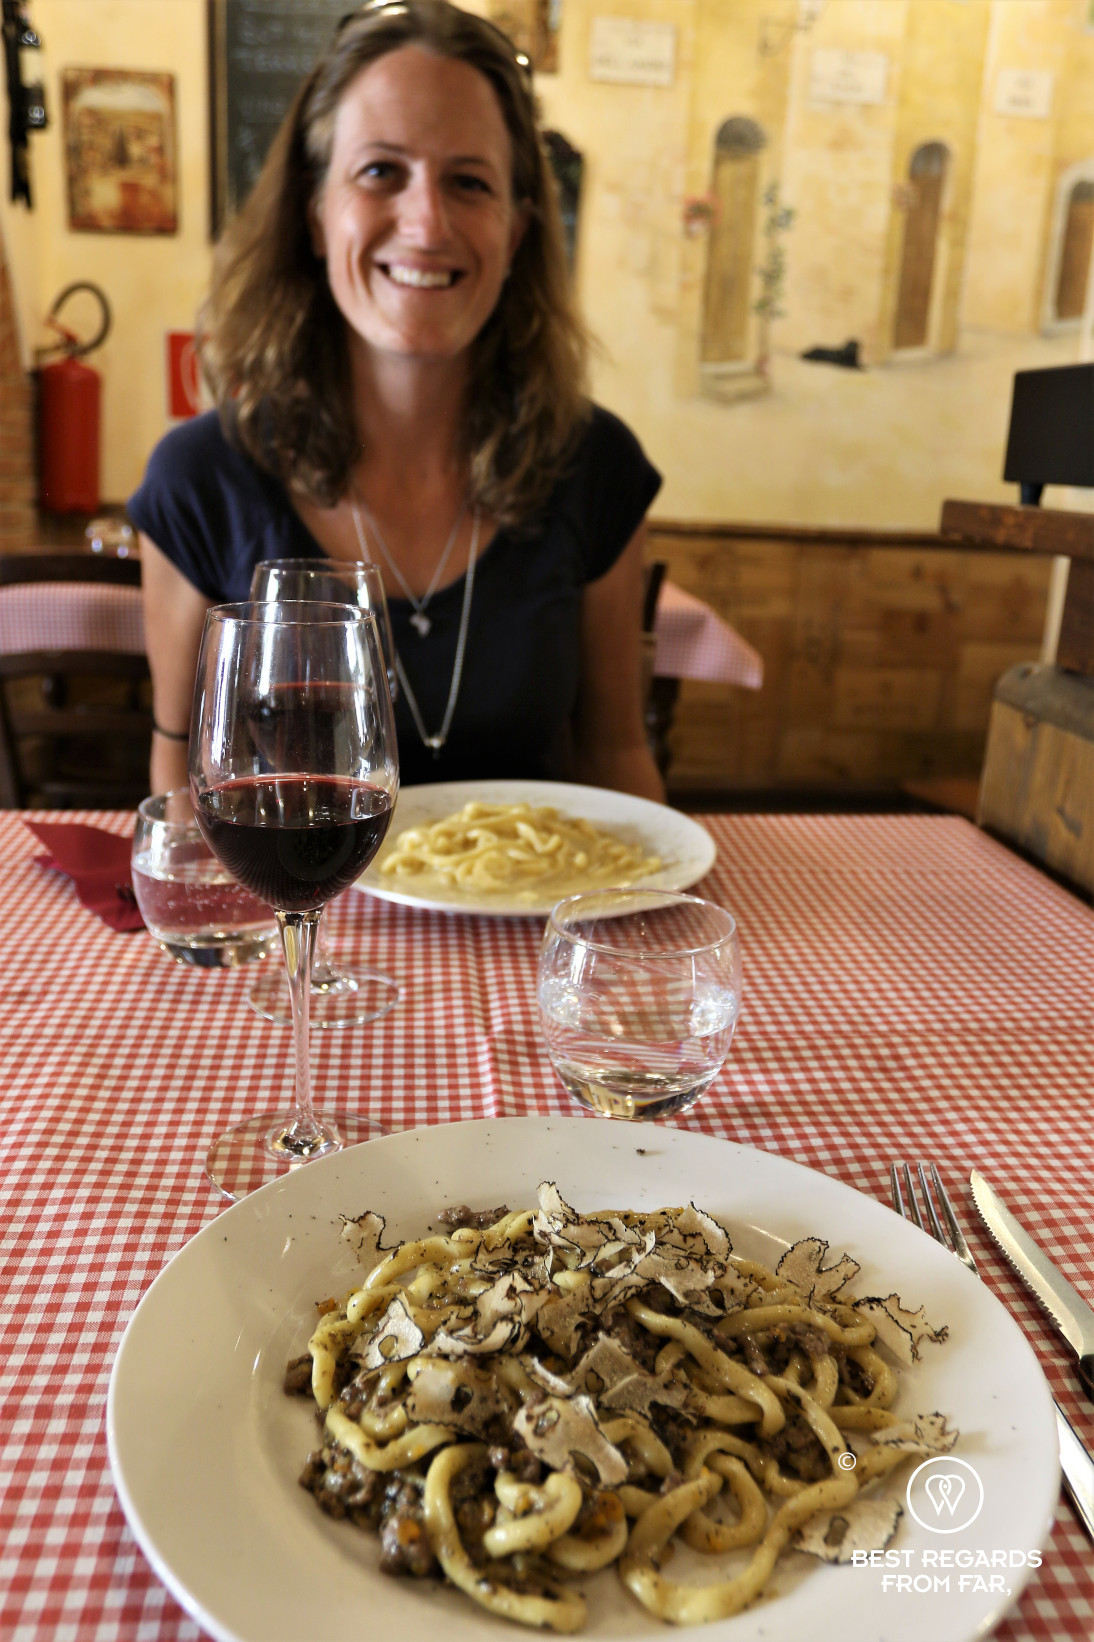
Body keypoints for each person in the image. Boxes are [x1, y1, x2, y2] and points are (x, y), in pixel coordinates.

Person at [129, 0, 665, 803]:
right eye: (381, 171)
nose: (425, 224)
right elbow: (181, 778)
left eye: (470, 182)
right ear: (315, 215)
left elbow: (617, 760)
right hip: (295, 926)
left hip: (530, 927)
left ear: (516, 233)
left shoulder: (595, 466)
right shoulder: (199, 480)